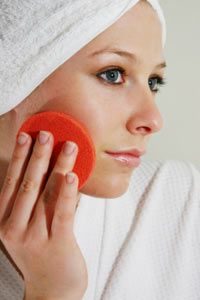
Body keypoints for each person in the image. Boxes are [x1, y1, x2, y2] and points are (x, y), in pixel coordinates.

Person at [0, 0, 199, 299]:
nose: (153, 120)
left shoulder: (181, 198)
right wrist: (52, 292)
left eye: (154, 81)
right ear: (14, 75)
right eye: (113, 74)